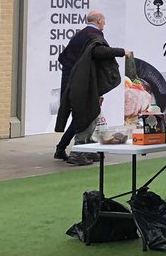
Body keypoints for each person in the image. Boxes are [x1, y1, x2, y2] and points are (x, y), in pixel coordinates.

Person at [54, 10, 126, 163]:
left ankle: (78, 148)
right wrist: (122, 52)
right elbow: (98, 52)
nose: (105, 23)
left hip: (73, 79)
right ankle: (77, 151)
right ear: (99, 20)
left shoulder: (80, 35)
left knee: (86, 115)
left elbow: (63, 57)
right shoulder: (94, 35)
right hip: (81, 82)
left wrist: (74, 74)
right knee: (85, 116)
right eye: (104, 20)